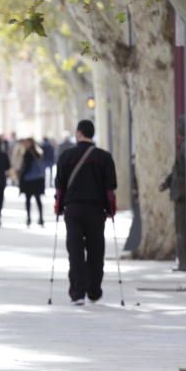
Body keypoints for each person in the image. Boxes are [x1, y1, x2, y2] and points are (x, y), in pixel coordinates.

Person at [54, 120, 117, 305]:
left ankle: (77, 292)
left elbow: (59, 187)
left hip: (73, 209)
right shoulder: (104, 157)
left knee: (75, 251)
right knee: (96, 250)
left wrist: (59, 208)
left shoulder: (66, 156)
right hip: (96, 210)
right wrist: (110, 211)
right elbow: (110, 189)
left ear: (79, 133)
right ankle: (94, 290)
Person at [161, 120, 186, 271]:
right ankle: (183, 261)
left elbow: (184, 171)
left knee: (182, 230)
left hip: (183, 195)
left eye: (180, 126)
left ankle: (184, 263)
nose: (178, 129)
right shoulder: (184, 146)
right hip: (181, 195)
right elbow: (177, 170)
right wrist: (167, 182)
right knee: (180, 230)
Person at [20, 138, 46, 227]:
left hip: (29, 179)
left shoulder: (28, 153)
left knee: (28, 199)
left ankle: (29, 218)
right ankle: (41, 218)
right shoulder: (38, 152)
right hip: (38, 179)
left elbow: (26, 167)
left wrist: (22, 175)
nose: (25, 144)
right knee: (38, 199)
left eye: (26, 143)